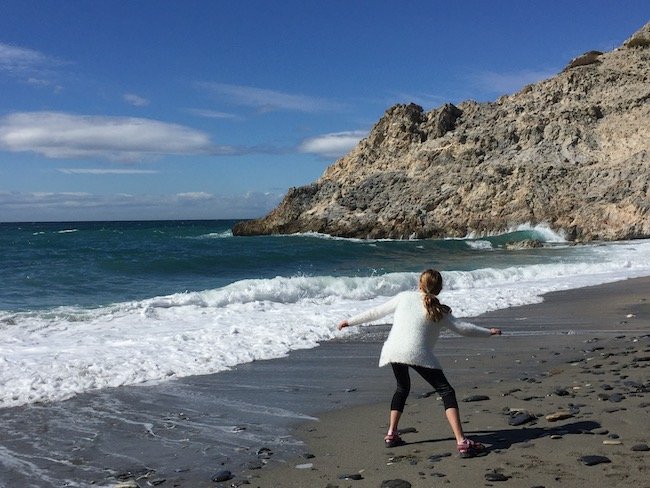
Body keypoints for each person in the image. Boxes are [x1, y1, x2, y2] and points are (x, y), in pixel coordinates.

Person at [338, 269, 502, 457]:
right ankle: (462, 442)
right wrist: (488, 332)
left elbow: (376, 312)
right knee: (446, 391)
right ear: (439, 289)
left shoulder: (405, 297)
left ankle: (391, 434)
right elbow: (463, 329)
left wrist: (349, 322)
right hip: (417, 353)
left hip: (394, 350)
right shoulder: (440, 311)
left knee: (402, 388)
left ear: (419, 284)